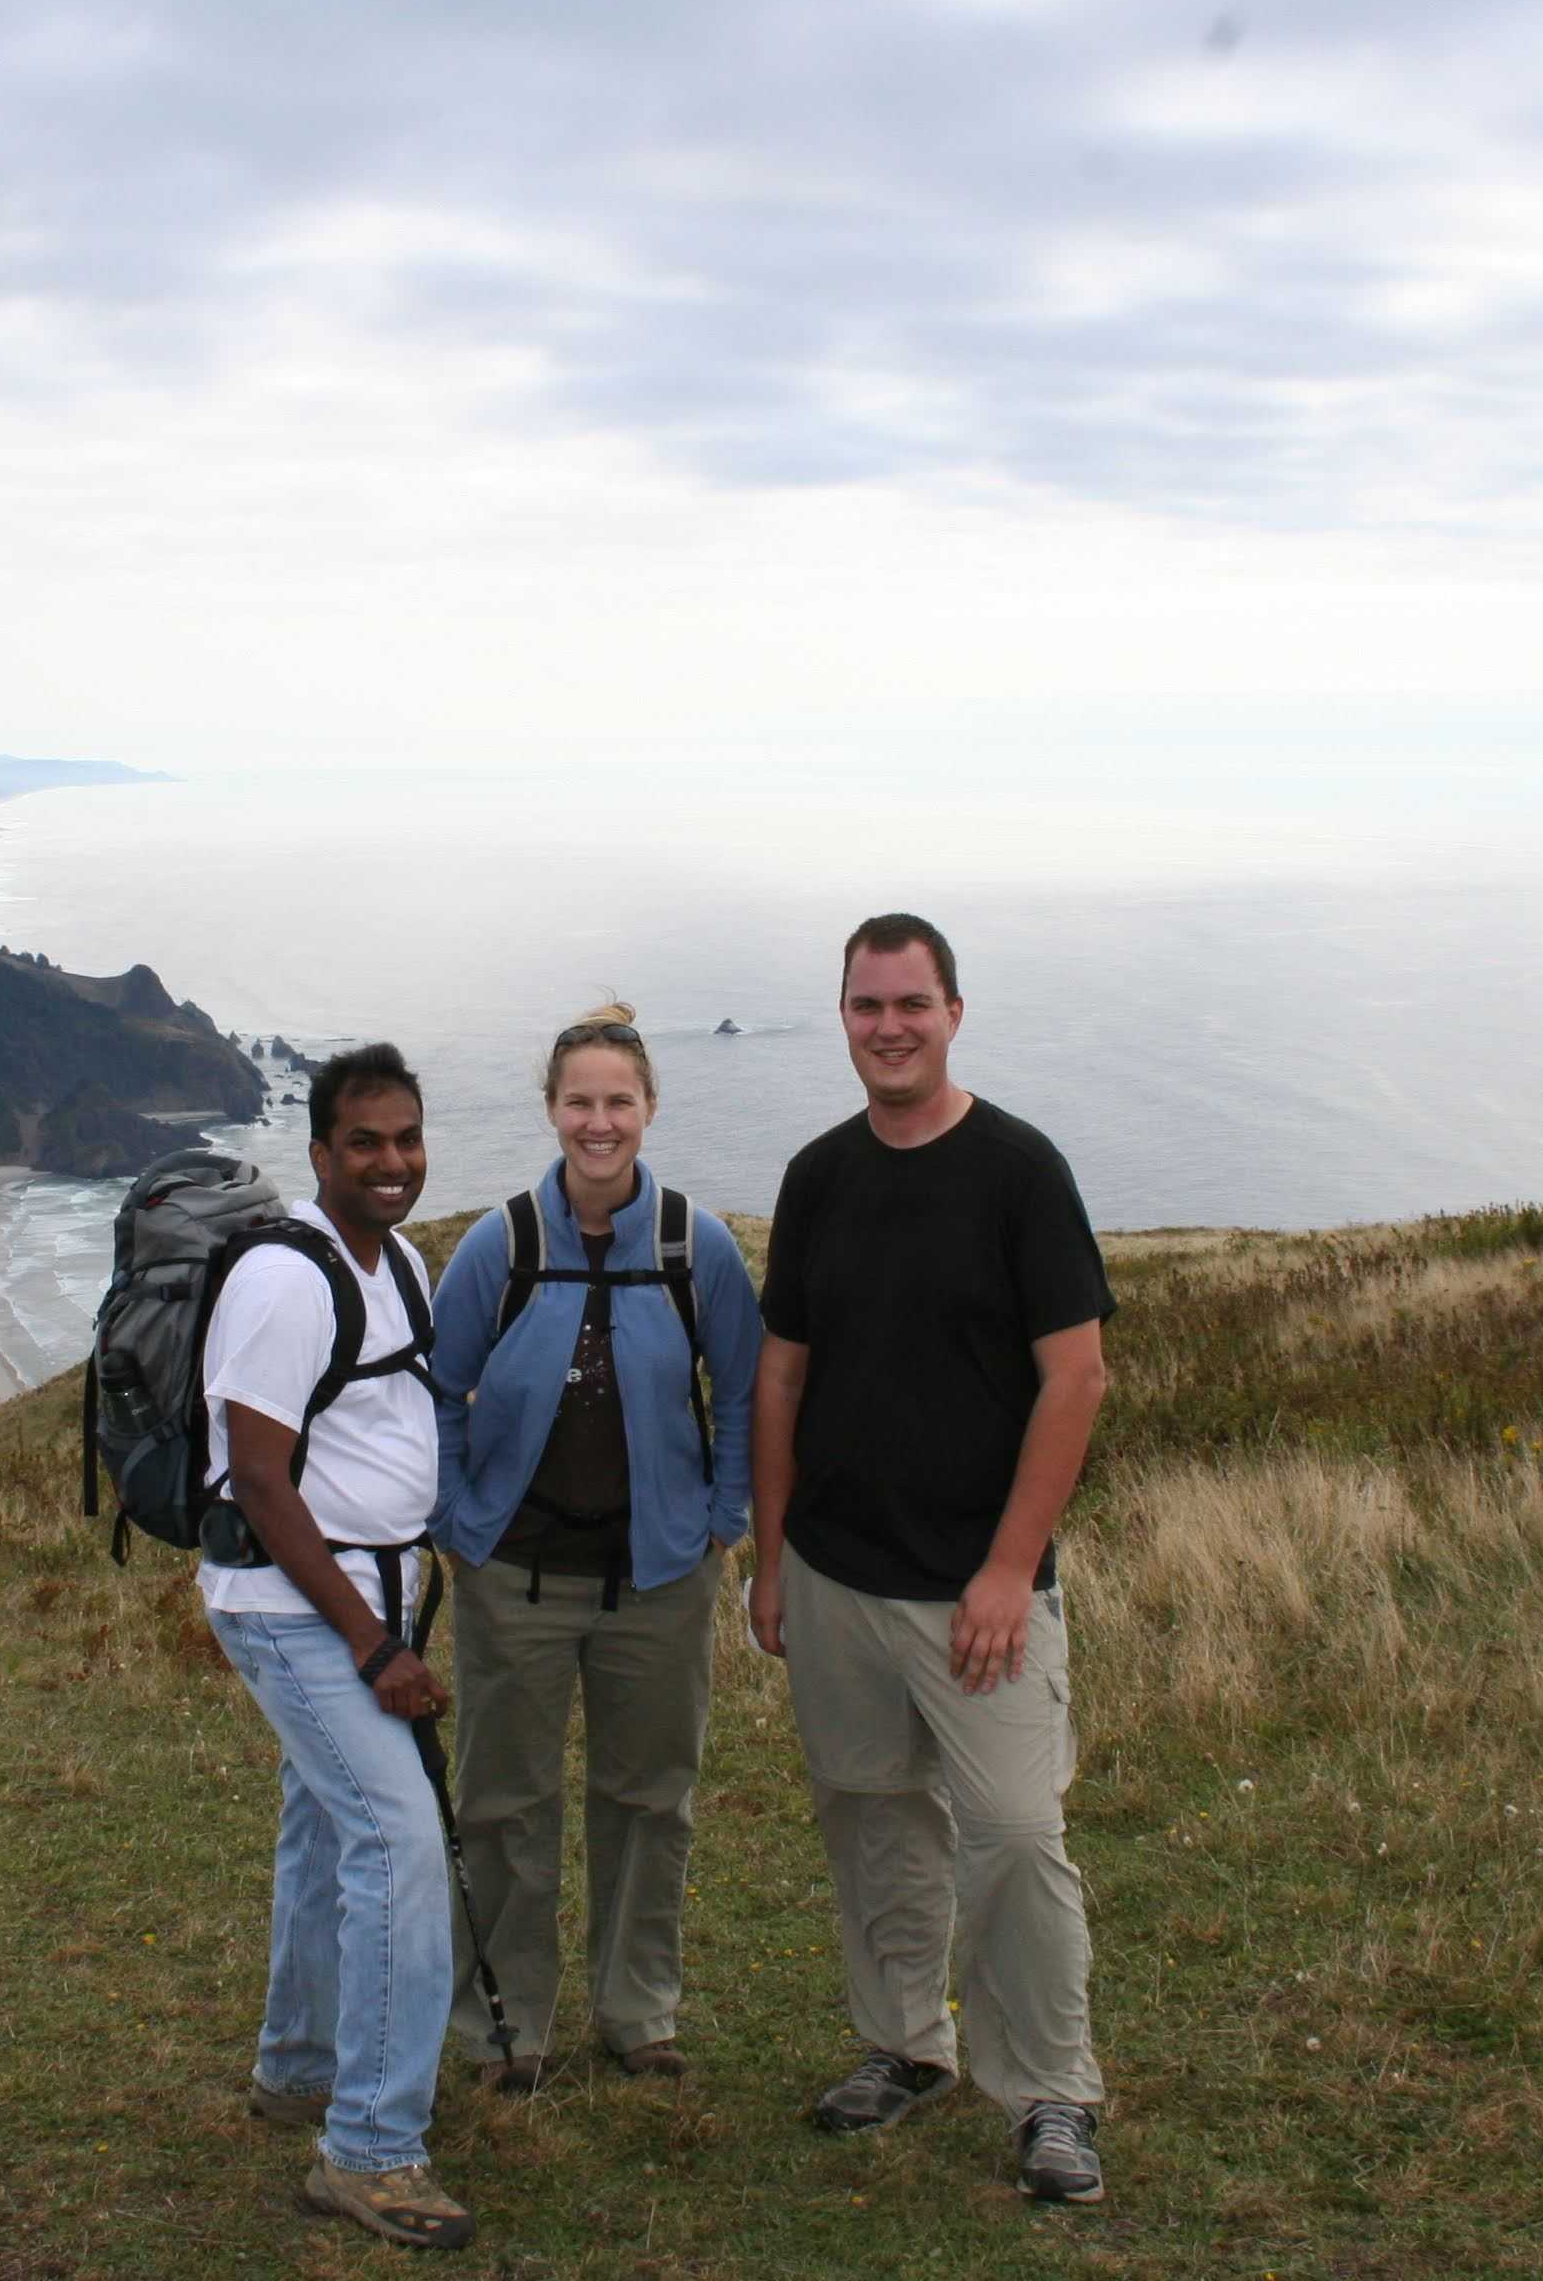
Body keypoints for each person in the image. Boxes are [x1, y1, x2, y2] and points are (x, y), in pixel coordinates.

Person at [746, 914, 1116, 2205]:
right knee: (871, 1819)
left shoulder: (1020, 1171)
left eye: (910, 1004)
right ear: (842, 1017)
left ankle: (1053, 2092)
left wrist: (1011, 1570)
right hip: (837, 1575)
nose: (889, 1028)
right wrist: (770, 1554)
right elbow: (781, 1374)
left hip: (979, 1588)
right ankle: (906, 2046)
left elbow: (1075, 1376)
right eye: (865, 1006)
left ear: (955, 1010)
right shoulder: (818, 1177)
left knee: (1015, 1832)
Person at [425, 1004, 763, 2090]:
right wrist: (456, 1523)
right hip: (512, 1573)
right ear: (552, 1109)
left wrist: (721, 1519)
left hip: (658, 1579)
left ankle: (638, 2012)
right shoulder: (502, 1242)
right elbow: (431, 1391)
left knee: (650, 1798)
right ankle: (504, 2028)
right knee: (501, 1806)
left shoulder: (692, 1247)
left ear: (650, 1108)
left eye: (619, 1102)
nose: (600, 1122)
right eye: (581, 1102)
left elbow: (747, 1392)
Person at [197, 1043, 475, 2250]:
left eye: (407, 1138)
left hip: (367, 1596)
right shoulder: (284, 1281)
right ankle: (369, 2150)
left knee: (323, 1823)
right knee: (397, 1843)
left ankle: (299, 2066)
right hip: (293, 1607)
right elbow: (260, 1481)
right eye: (366, 1142)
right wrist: (375, 1648)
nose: (393, 1162)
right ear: (319, 1155)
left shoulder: (401, 1263)